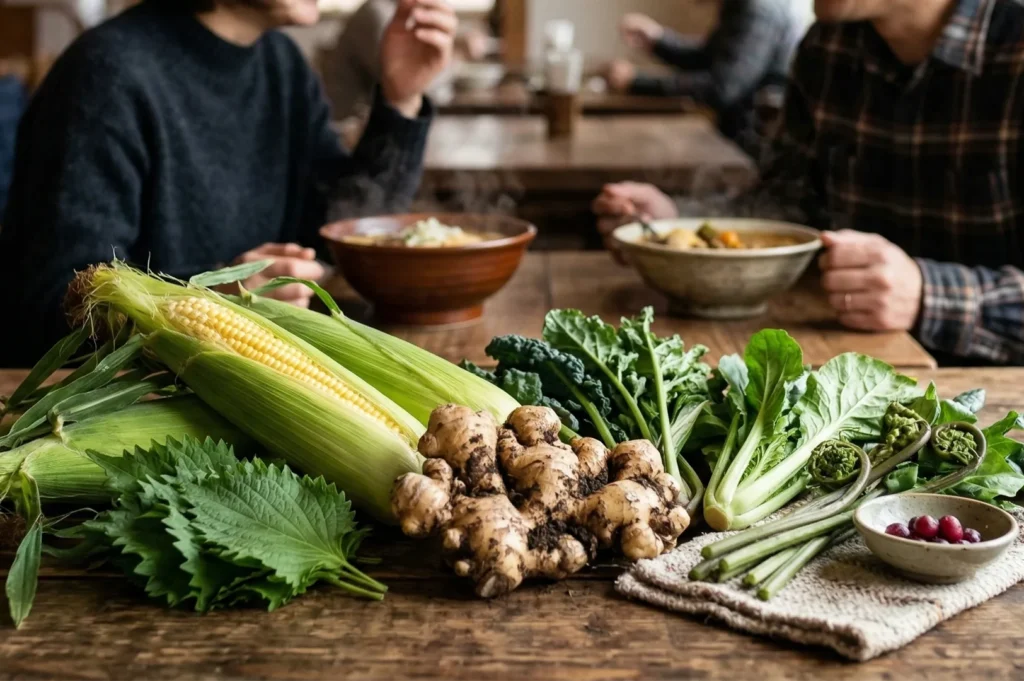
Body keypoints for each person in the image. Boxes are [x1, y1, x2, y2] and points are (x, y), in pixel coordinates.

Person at [0, 0, 456, 367]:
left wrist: (401, 98)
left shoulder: (282, 64)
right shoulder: (105, 74)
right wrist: (213, 300)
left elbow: (339, 230)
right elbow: (50, 309)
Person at [595, 0, 1024, 365]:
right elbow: (786, 202)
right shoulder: (827, 46)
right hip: (841, 367)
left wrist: (928, 295)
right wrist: (676, 224)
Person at [603, 0, 808, 154]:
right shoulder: (741, 5)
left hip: (750, 152)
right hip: (739, 141)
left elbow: (722, 88)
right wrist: (658, 40)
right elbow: (708, 58)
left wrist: (637, 82)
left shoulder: (756, 10)